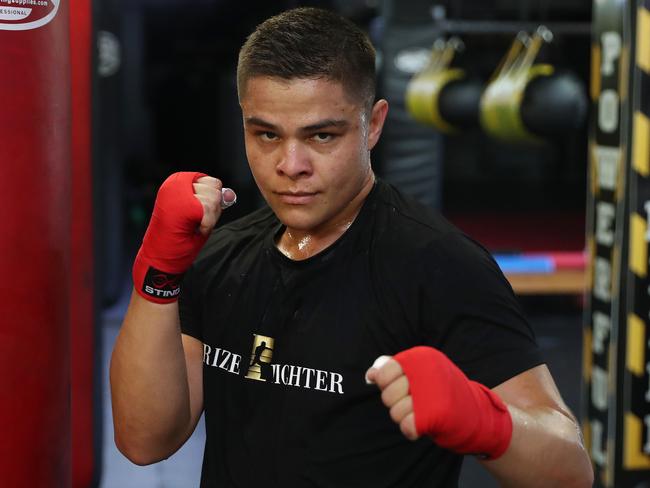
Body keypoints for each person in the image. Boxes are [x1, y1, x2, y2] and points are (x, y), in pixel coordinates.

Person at [110, 7, 594, 487]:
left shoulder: (440, 265)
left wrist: (484, 419)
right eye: (266, 135)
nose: (290, 164)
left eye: (322, 135)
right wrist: (157, 275)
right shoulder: (222, 256)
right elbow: (145, 440)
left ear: (374, 124)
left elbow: (570, 468)